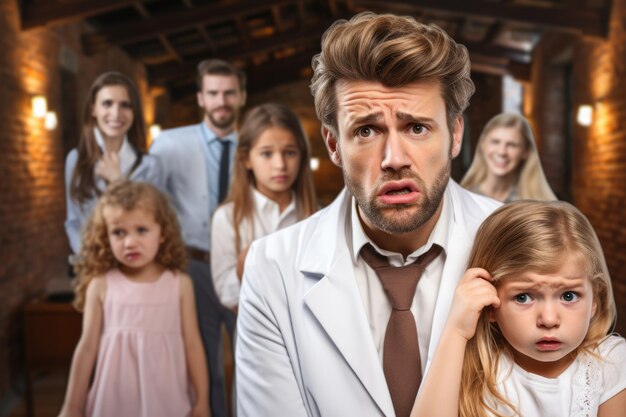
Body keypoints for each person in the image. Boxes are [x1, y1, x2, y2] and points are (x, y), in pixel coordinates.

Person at [236, 12, 501, 417]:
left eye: (416, 128)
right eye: (366, 131)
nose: (394, 159)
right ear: (333, 145)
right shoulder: (272, 269)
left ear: (456, 135)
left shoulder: (517, 242)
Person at [411, 200, 626, 417]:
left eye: (568, 296)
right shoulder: (476, 371)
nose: (549, 320)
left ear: (595, 300)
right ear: (490, 305)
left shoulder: (610, 363)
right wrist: (456, 331)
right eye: (523, 297)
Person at [58, 181, 209, 417]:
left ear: (162, 233)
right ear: (105, 236)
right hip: (113, 400)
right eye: (118, 232)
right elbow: (86, 348)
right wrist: (71, 406)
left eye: (141, 230)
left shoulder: (179, 285)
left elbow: (192, 344)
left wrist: (202, 401)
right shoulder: (100, 286)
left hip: (166, 398)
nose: (130, 242)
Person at [150, 58, 246, 417]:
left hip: (245, 265)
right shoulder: (168, 145)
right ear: (201, 98)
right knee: (202, 360)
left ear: (241, 96)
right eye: (214, 93)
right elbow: (149, 204)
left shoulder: (255, 147)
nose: (222, 101)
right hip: (193, 266)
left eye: (229, 93)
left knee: (249, 358)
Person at [211, 103, 317, 310]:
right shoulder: (227, 217)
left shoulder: (318, 216)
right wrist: (244, 266)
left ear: (302, 156)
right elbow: (227, 294)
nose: (280, 165)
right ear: (246, 159)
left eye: (290, 153)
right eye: (267, 154)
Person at [65, 71, 163, 256]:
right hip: (93, 268)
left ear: (134, 112)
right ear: (93, 109)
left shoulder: (150, 166)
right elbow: (73, 223)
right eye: (107, 104)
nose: (116, 113)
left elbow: (151, 222)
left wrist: (117, 183)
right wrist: (90, 259)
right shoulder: (76, 159)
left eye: (125, 105)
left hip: (137, 266)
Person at [460, 112, 557, 202]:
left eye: (512, 145)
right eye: (495, 142)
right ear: (482, 145)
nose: (502, 152)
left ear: (526, 152)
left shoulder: (538, 205)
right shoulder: (463, 198)